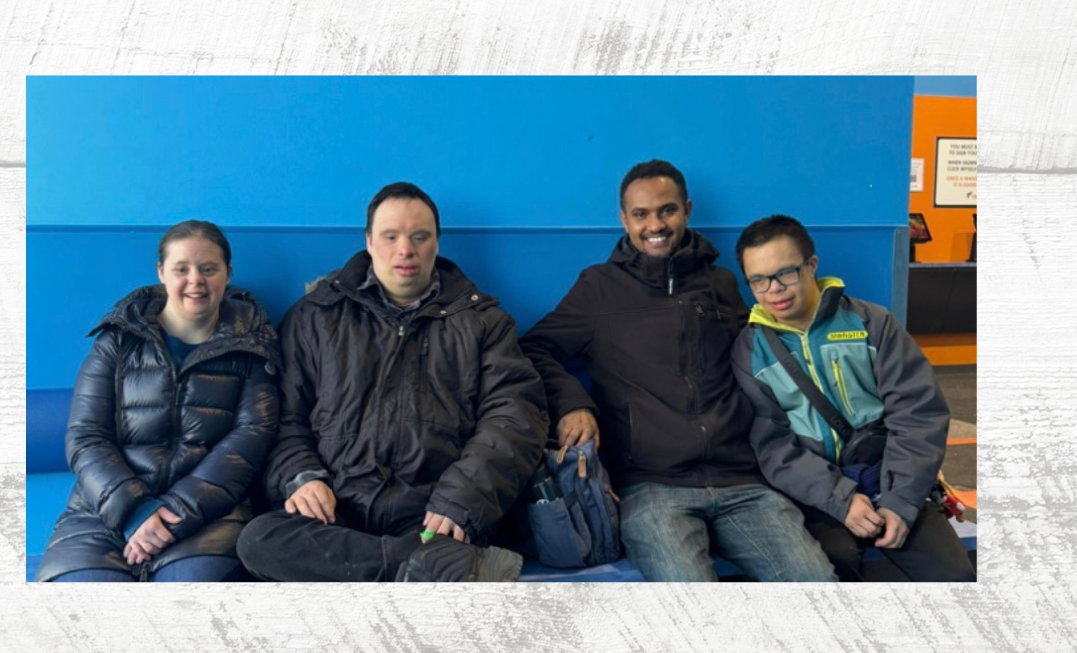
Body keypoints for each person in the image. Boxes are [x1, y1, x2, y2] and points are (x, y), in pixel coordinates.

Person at [519, 160, 834, 581]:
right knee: (690, 607)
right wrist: (573, 404)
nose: (655, 225)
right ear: (624, 220)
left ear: (686, 210)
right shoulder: (598, 287)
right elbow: (533, 349)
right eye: (641, 214)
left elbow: (762, 360)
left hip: (744, 481)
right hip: (651, 488)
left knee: (816, 587)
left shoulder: (721, 284)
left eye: (667, 210)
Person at [236, 182, 547, 582]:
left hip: (433, 517)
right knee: (258, 540)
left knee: (444, 545)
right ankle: (425, 565)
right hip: (334, 515)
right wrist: (302, 476)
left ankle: (423, 562)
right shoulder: (315, 316)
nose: (405, 250)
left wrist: (461, 499)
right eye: (391, 237)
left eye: (419, 237)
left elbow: (515, 419)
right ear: (369, 242)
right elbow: (283, 415)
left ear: (437, 243)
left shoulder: (485, 323)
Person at [731, 215, 975, 581]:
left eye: (786, 273)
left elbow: (917, 414)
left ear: (811, 265)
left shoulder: (871, 323)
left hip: (890, 478)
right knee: (832, 567)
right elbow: (773, 447)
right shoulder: (750, 351)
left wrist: (901, 501)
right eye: (759, 280)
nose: (775, 289)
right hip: (816, 495)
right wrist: (840, 499)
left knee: (954, 576)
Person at [40, 220, 281, 582]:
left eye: (208, 269)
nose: (195, 280)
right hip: (103, 513)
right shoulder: (117, 340)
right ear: (161, 273)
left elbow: (250, 440)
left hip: (209, 516)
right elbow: (85, 435)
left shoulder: (253, 347)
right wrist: (135, 510)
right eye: (181, 269)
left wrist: (174, 514)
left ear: (228, 274)